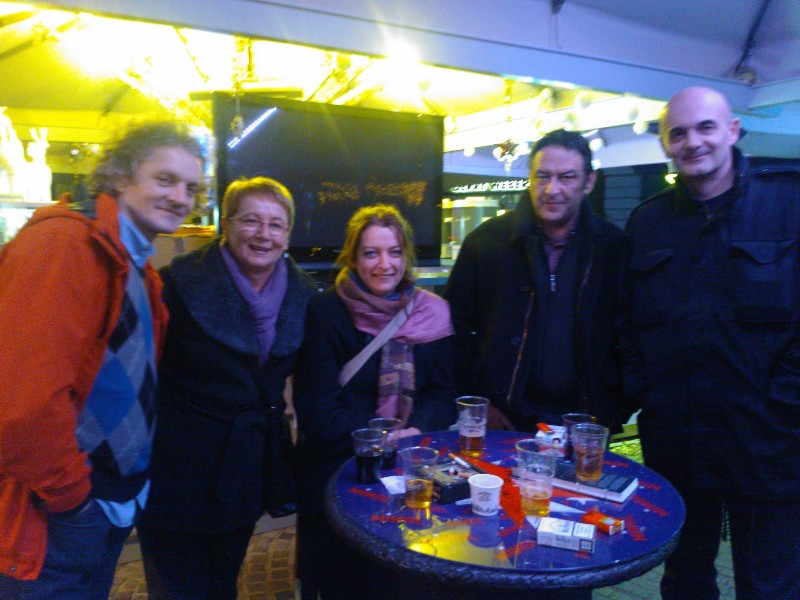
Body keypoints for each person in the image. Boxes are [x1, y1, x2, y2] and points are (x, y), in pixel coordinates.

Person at [0, 119, 204, 598]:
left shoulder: (138, 268)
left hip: (107, 501)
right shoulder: (63, 245)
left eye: (191, 187)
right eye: (165, 179)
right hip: (54, 513)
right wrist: (74, 502)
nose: (180, 197)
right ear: (119, 176)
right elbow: (23, 406)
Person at [624, 86, 800, 599]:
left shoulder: (788, 205)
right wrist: (647, 393)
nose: (693, 142)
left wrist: (785, 406)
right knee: (684, 582)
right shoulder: (648, 222)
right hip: (678, 441)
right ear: (664, 144)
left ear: (732, 131)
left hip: (768, 442)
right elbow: (627, 323)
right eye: (678, 133)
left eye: (705, 127)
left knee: (769, 587)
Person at [136, 176, 317, 599]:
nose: (263, 234)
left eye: (275, 224)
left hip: (245, 465)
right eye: (250, 220)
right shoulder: (176, 284)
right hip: (176, 466)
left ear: (288, 235)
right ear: (227, 224)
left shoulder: (306, 296)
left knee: (224, 579)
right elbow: (140, 374)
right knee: (176, 585)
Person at [293, 204, 456, 599]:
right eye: (371, 253)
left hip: (409, 468)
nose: (385, 264)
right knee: (341, 580)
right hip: (339, 470)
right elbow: (317, 409)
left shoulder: (432, 313)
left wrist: (415, 430)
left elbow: (442, 394)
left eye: (395, 252)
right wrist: (383, 438)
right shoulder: (326, 311)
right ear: (353, 257)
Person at [445, 129, 629, 434]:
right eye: (542, 177)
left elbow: (629, 333)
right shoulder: (486, 242)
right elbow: (454, 328)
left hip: (586, 422)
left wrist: (615, 406)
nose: (552, 189)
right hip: (504, 418)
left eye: (566, 177)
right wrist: (477, 401)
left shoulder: (612, 247)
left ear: (589, 181)